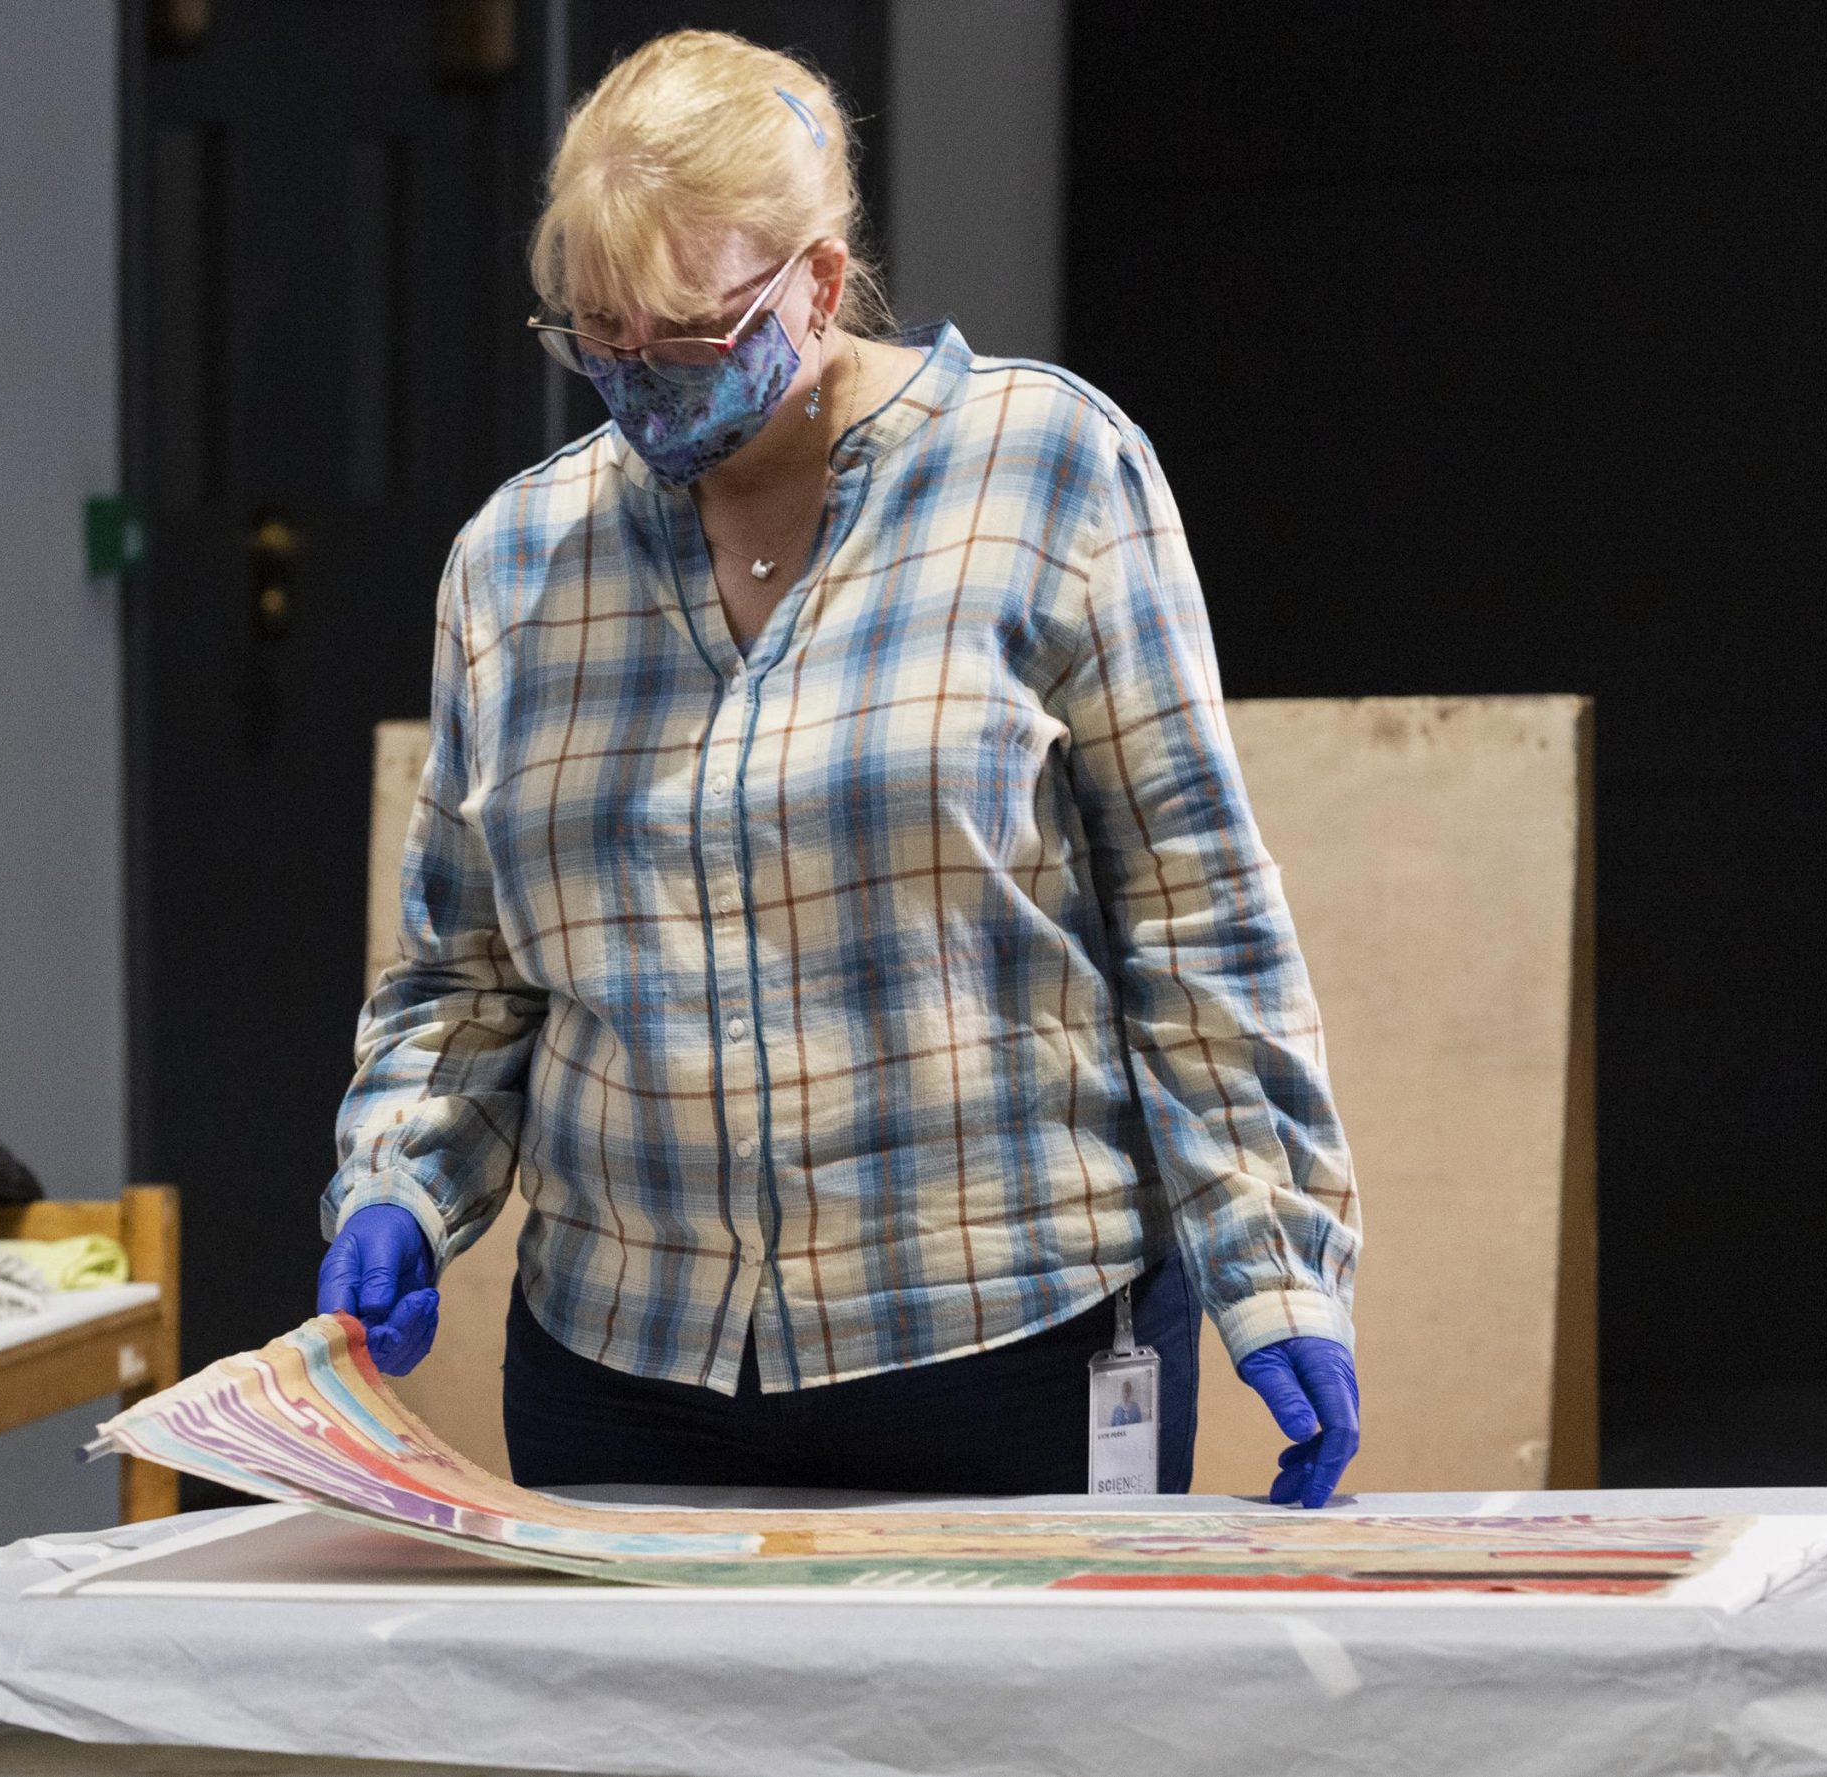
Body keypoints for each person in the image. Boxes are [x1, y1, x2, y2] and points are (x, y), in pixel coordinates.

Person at [316, 29, 1362, 1507]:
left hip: (1008, 1345)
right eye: (596, 341)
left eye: (686, 338)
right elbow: (465, 975)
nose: (638, 385)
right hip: (627, 1372)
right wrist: (399, 1188)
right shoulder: (514, 565)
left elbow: (1196, 920)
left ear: (818, 279)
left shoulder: (1050, 471)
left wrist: (1278, 1269)